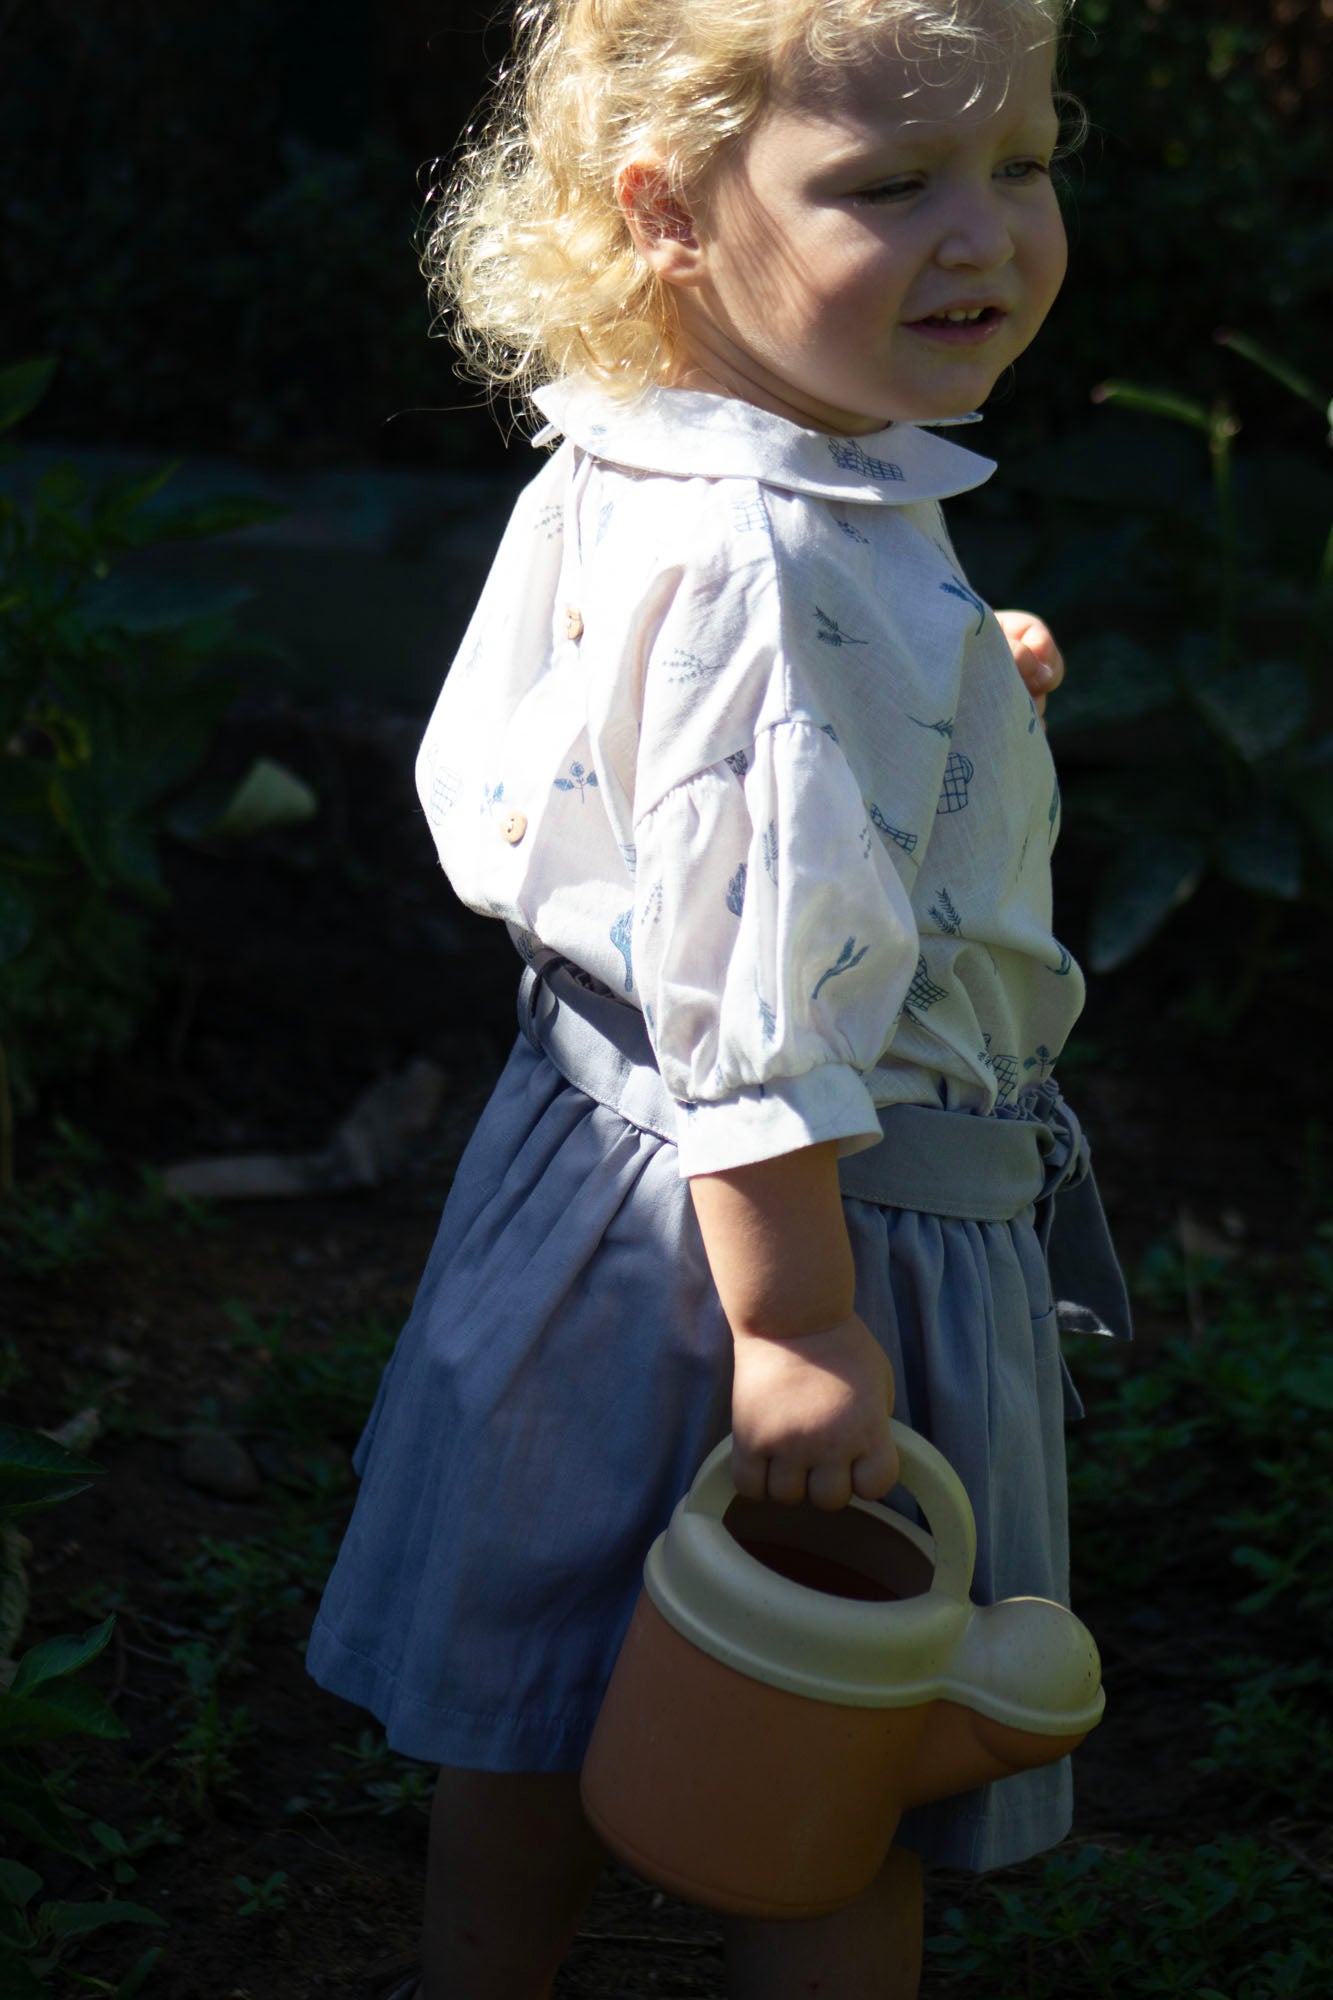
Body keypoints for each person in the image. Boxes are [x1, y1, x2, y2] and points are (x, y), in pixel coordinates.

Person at [306, 2, 1131, 1994]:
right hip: (801, 1216)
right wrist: (807, 1325)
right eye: (884, 184)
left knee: (537, 1692)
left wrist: (937, 692)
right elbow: (755, 981)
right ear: (665, 208)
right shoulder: (772, 561)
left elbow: (623, 782)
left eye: (1017, 162)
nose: (982, 235)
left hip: (600, 1183)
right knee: (833, 1760)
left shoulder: (664, 454)